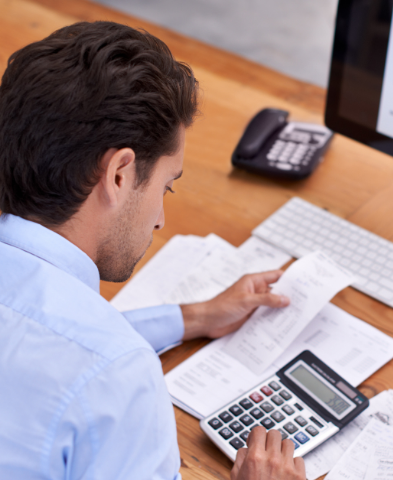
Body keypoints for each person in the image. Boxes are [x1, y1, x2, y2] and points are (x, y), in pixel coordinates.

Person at [0, 21, 305, 480]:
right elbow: (84, 359)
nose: (160, 218)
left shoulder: (92, 357)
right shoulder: (118, 378)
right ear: (120, 175)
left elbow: (39, 336)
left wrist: (194, 317)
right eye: (167, 186)